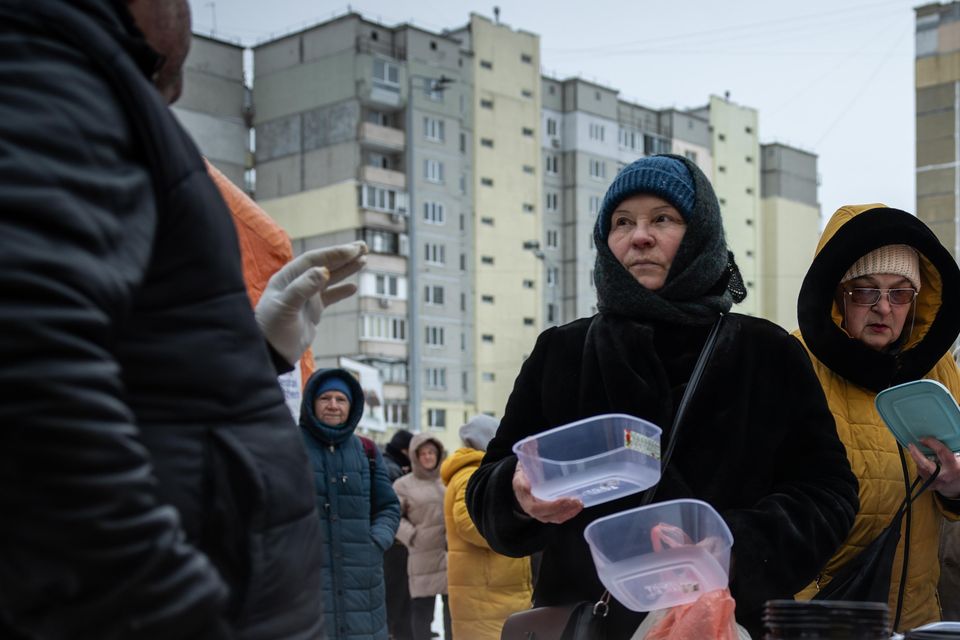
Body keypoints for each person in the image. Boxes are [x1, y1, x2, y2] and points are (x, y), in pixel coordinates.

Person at [0, 1, 366, 637]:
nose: (189, 21)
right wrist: (170, 611)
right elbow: (32, 393)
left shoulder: (68, 74)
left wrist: (256, 358)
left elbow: (137, 385)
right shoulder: (46, 69)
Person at [465, 154, 860, 639]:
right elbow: (487, 491)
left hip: (723, 625)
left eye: (663, 219)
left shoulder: (767, 353)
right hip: (591, 625)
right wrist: (518, 496)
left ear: (700, 234)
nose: (640, 236)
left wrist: (728, 548)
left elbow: (829, 495)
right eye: (622, 222)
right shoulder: (562, 352)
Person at [793, 204, 960, 631]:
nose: (884, 308)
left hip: (918, 616)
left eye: (900, 292)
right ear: (836, 294)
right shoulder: (793, 362)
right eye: (865, 291)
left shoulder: (939, 370)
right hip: (822, 614)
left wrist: (956, 489)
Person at [299, 368, 401, 639]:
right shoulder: (290, 447)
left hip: (362, 583)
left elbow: (389, 507)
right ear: (311, 403)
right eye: (325, 398)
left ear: (351, 405)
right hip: (307, 576)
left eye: (340, 399)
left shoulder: (367, 451)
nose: (333, 405)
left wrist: (375, 542)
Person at [441, 415, 532, 639]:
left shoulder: (478, 473)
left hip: (498, 588)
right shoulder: (469, 474)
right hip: (484, 593)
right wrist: (512, 527)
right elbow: (467, 522)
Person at [394, 434, 452, 640]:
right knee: (422, 612)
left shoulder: (448, 479)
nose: (428, 457)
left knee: (452, 613)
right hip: (422, 556)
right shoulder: (403, 485)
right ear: (415, 456)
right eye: (423, 453)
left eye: (432, 453)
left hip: (449, 556)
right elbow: (393, 517)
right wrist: (412, 536)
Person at [382, 429, 416, 640]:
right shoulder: (393, 471)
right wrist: (412, 534)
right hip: (396, 546)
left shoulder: (388, 464)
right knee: (396, 601)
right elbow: (393, 512)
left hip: (394, 546)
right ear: (405, 450)